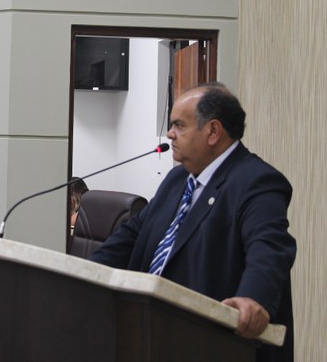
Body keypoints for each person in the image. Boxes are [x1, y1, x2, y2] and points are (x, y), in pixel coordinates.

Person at [89, 83, 296, 362]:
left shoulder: (256, 181)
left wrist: (253, 297)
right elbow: (133, 233)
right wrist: (84, 273)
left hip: (215, 344)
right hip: (151, 334)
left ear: (213, 131)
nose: (169, 134)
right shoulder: (177, 179)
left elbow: (268, 246)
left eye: (179, 125)